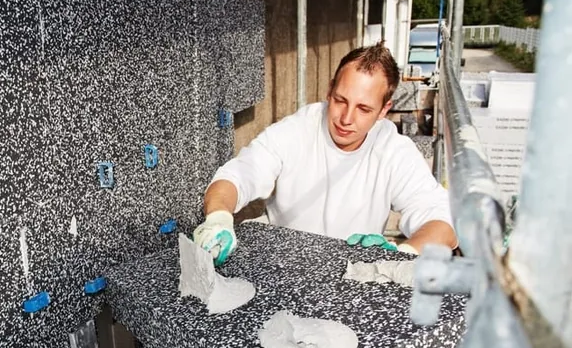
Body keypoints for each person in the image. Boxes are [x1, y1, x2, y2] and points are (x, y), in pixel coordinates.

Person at [193, 41, 457, 265]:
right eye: (341, 100)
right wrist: (218, 218)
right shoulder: (298, 130)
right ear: (330, 90)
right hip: (282, 263)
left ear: (384, 110)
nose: (346, 119)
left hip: (352, 275)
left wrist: (399, 255)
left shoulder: (393, 151)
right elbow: (239, 174)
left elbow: (443, 220)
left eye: (364, 109)